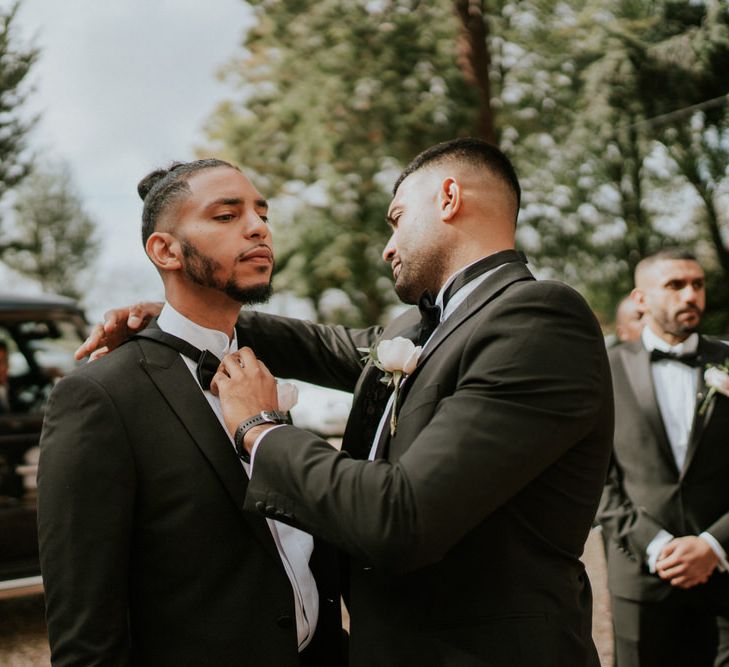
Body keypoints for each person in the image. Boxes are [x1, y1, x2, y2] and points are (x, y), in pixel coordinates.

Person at [78, 139, 614, 666]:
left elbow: (403, 516)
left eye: (397, 217)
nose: (387, 246)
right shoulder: (418, 327)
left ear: (449, 198)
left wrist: (259, 429)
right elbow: (320, 346)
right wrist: (175, 317)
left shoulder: (538, 319)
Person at [37, 159, 343, 666]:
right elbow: (84, 631)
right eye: (226, 216)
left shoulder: (255, 373)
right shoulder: (98, 397)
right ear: (165, 250)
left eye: (261, 213)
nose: (258, 227)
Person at [597, 248, 729, 667]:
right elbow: (595, 477)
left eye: (697, 284)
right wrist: (654, 545)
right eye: (675, 286)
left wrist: (713, 544)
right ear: (640, 299)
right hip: (640, 576)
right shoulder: (603, 368)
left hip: (725, 573)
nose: (690, 295)